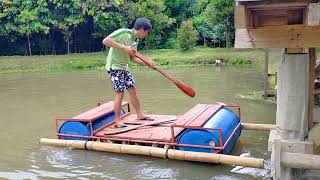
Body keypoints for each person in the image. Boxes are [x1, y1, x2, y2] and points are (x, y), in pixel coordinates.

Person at [102, 17, 155, 122]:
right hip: (114, 66)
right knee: (120, 92)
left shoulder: (135, 41)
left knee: (132, 89)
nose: (146, 35)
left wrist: (146, 62)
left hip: (124, 67)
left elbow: (133, 58)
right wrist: (123, 47)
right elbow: (105, 41)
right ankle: (118, 120)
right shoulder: (123, 33)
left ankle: (140, 114)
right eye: (147, 32)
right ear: (142, 30)